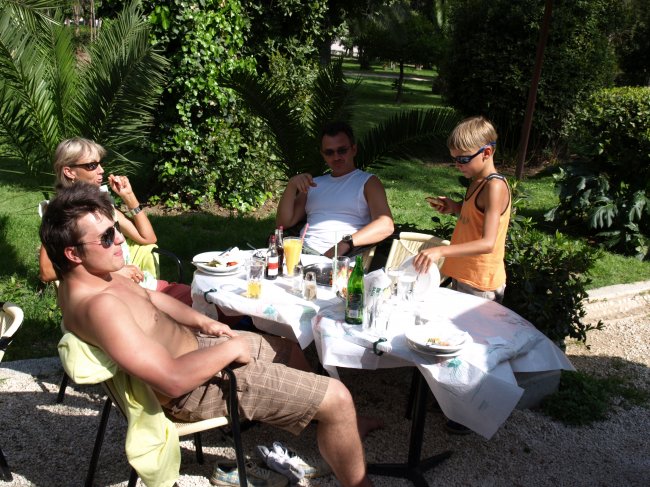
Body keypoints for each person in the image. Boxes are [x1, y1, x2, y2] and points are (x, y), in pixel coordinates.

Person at [40, 182, 374, 487]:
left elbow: (152, 299)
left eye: (114, 229)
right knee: (339, 398)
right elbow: (172, 380)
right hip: (195, 389)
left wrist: (203, 323)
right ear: (73, 253)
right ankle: (344, 446)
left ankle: (319, 419)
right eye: (106, 238)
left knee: (288, 349)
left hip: (199, 349)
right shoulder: (100, 306)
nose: (119, 240)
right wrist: (232, 348)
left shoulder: (95, 274)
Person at [414, 115, 511, 434]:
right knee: (456, 343)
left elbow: (487, 242)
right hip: (465, 277)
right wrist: (455, 208)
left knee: (473, 352)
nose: (458, 165)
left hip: (481, 283)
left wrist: (441, 251)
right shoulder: (478, 181)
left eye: (463, 159)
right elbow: (476, 217)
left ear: (487, 151)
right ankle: (455, 402)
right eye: (454, 159)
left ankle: (469, 414)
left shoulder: (495, 186)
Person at [38, 137, 192, 306]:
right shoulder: (61, 212)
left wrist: (129, 197)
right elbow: (46, 272)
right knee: (195, 304)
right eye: (92, 165)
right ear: (69, 172)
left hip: (139, 286)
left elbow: (148, 238)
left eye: (100, 163)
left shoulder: (102, 204)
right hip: (115, 297)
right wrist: (113, 273)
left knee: (198, 297)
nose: (101, 170)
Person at [276, 121, 394, 258]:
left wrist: (345, 243)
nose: (336, 157)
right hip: (302, 253)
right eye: (329, 152)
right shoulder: (314, 184)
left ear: (354, 149)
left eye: (342, 150)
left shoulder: (368, 182)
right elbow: (284, 223)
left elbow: (386, 225)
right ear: (323, 154)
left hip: (340, 259)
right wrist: (291, 185)